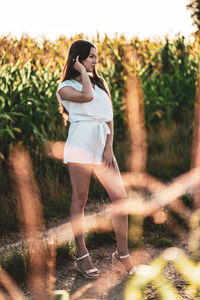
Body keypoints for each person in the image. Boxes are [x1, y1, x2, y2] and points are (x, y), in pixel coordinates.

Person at [56, 39, 136, 279]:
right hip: (80, 144)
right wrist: (80, 72)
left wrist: (109, 148)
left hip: (102, 145)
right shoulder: (64, 87)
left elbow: (108, 115)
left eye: (96, 56)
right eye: (90, 56)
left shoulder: (99, 83)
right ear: (78, 58)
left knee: (120, 197)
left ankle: (122, 254)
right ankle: (82, 255)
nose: (95, 60)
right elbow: (87, 98)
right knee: (80, 199)